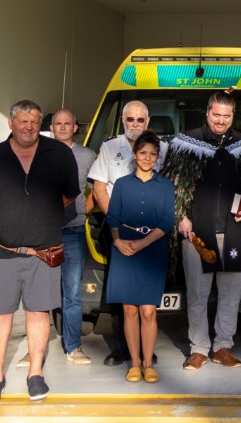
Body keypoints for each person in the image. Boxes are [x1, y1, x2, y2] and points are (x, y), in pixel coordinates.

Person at [0, 100, 80, 408]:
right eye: (22, 121)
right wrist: (3, 218)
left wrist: (42, 214)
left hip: (43, 252)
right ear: (10, 122)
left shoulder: (59, 154)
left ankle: (35, 374)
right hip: (1, 251)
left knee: (38, 313)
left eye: (33, 121)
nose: (28, 126)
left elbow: (69, 196)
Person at [164, 91, 241, 370]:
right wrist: (180, 217)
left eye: (226, 116)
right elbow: (170, 185)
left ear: (232, 115)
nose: (221, 121)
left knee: (231, 294)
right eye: (216, 115)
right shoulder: (186, 143)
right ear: (207, 113)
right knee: (198, 294)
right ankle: (199, 348)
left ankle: (223, 346)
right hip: (197, 233)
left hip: (235, 231)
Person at [87, 100, 167, 367]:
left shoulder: (163, 148)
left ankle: (146, 351)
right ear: (123, 120)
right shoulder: (110, 147)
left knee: (146, 300)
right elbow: (99, 188)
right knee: (122, 295)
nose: (135, 124)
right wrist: (117, 225)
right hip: (117, 230)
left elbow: (165, 188)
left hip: (152, 235)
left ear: (148, 121)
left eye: (140, 120)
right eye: (130, 120)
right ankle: (122, 348)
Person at [105, 132, 175, 383]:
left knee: (148, 311)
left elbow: (167, 221)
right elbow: (112, 216)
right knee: (129, 310)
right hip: (124, 248)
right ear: (135, 155)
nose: (147, 158)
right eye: (143, 153)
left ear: (157, 158)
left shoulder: (166, 185)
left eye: (152, 154)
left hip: (153, 250)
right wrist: (118, 240)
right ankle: (134, 364)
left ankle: (149, 363)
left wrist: (143, 243)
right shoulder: (122, 184)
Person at [48, 109, 95, 365]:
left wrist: (83, 210)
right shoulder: (39, 151)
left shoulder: (87, 155)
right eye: (58, 123)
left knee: (72, 293)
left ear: (75, 127)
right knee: (40, 292)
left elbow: (98, 186)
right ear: (52, 127)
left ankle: (73, 346)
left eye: (68, 123)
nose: (63, 127)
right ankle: (35, 349)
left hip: (74, 231)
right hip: (44, 232)